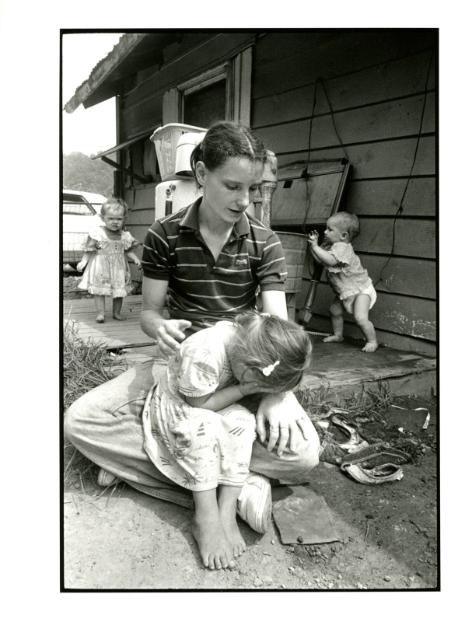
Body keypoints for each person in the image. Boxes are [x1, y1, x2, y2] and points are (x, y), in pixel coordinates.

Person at [64, 120, 320, 569]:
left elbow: (276, 324)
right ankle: (236, 491)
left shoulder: (265, 242)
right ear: (201, 174)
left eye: (254, 189)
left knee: (304, 456)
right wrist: (156, 328)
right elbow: (150, 312)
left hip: (244, 368)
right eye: (233, 186)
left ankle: (165, 469)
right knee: (80, 422)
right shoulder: (165, 234)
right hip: (180, 366)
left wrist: (279, 394)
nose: (245, 201)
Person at [142, 311, 312, 569]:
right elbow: (198, 404)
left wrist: (254, 391)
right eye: (261, 385)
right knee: (202, 431)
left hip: (216, 397)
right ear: (248, 367)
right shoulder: (205, 352)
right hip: (184, 405)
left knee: (243, 421)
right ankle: (206, 517)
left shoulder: (254, 334)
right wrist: (244, 389)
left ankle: (227, 507)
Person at [307, 212, 378, 352]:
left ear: (343, 236)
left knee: (360, 318)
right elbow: (320, 260)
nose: (325, 232)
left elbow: (331, 260)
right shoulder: (330, 246)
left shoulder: (343, 247)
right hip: (345, 292)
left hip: (360, 290)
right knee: (334, 310)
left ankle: (372, 341)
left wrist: (316, 247)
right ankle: (338, 335)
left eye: (330, 229)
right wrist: (313, 246)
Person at [77, 197, 142, 323]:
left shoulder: (124, 236)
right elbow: (89, 249)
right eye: (111, 218)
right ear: (103, 218)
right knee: (99, 291)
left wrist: (135, 259)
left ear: (124, 219)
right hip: (100, 267)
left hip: (118, 268)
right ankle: (100, 313)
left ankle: (116, 313)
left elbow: (127, 250)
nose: (115, 222)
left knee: (119, 291)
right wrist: (83, 261)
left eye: (119, 219)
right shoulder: (97, 233)